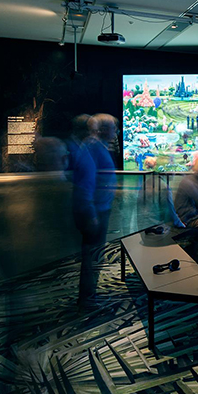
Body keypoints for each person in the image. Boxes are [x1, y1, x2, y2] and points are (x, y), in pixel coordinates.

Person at [72, 113, 118, 308]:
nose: (116, 132)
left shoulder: (98, 146)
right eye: (114, 128)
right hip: (96, 211)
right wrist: (91, 214)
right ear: (105, 130)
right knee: (92, 255)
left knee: (95, 253)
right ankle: (88, 298)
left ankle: (91, 295)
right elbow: (86, 183)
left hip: (99, 209)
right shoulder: (93, 147)